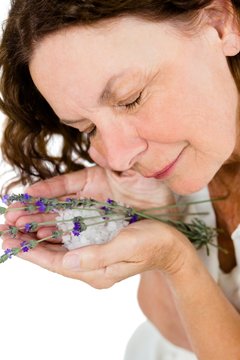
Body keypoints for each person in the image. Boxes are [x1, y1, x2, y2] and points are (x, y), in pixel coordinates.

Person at [1, 0, 240, 358]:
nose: (117, 157)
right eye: (90, 128)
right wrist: (156, 215)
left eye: (131, 99)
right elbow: (178, 334)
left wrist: (176, 258)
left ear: (220, 23)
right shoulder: (187, 161)